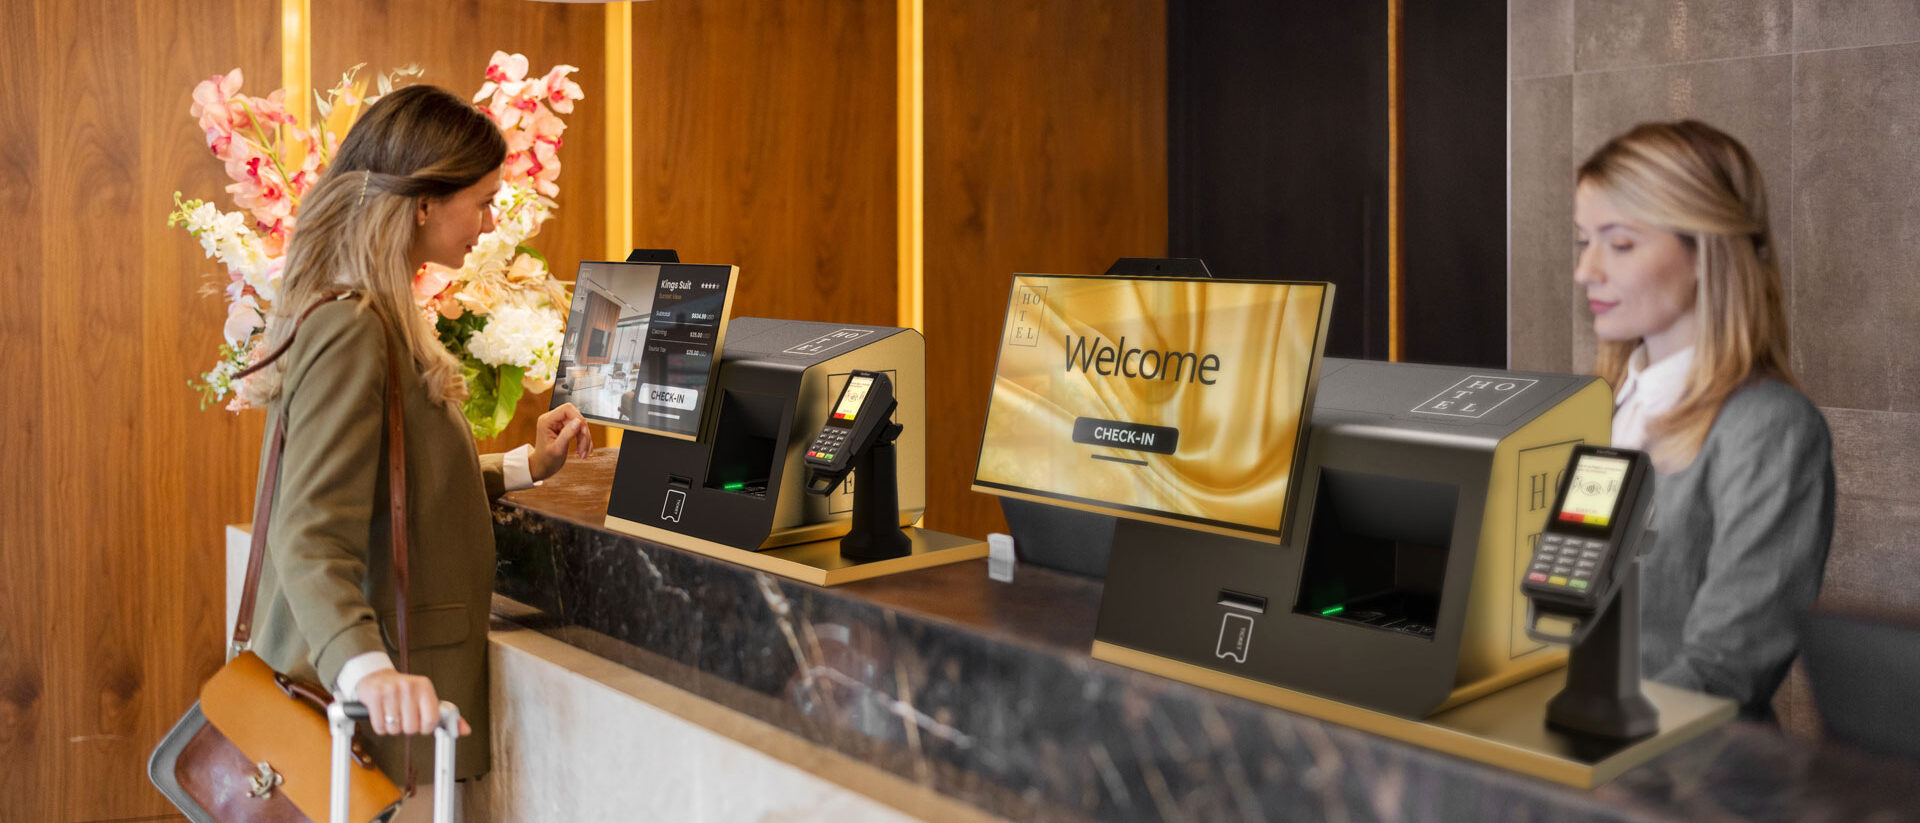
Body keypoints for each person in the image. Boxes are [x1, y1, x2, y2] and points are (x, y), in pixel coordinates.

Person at [237, 85, 592, 807]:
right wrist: (368, 670)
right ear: (423, 202)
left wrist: (527, 465)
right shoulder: (352, 328)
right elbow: (308, 534)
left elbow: (399, 487)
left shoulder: (374, 317)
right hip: (367, 728)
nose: (490, 224)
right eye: (483, 201)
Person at [1572, 120, 1835, 721]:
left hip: (1683, 783)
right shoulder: (1606, 407)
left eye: (1619, 243)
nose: (1587, 271)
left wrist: (1583, 741)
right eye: (1582, 241)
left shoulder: (1771, 427)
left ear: (1703, 254)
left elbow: (1726, 665)